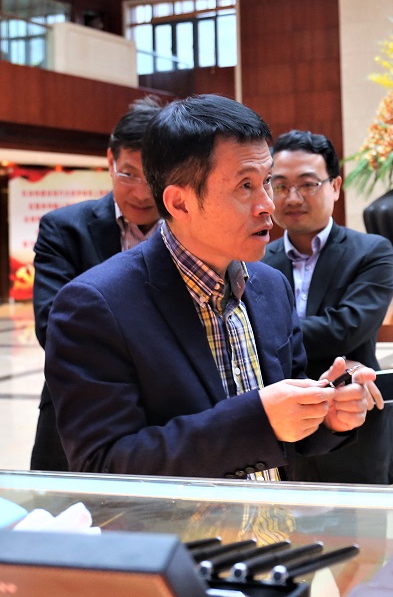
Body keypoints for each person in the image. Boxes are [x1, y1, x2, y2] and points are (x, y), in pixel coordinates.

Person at [44, 94, 374, 479]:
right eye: (245, 186)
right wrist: (259, 420)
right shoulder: (96, 306)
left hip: (273, 515)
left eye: (266, 181)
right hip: (181, 522)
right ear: (180, 203)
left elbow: (284, 428)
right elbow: (103, 465)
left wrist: (324, 415)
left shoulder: (270, 285)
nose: (268, 204)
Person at [263, 129, 393, 484]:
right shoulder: (256, 260)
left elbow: (346, 329)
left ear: (335, 186)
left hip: (355, 428)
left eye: (307, 184)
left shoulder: (371, 251)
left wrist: (271, 334)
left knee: (363, 522)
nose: (292, 197)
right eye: (280, 185)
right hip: (285, 434)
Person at [30, 97, 162, 472]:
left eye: (154, 177)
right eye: (128, 174)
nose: (141, 193)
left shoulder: (193, 233)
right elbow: (53, 326)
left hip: (172, 418)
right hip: (77, 410)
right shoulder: (64, 229)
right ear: (110, 161)